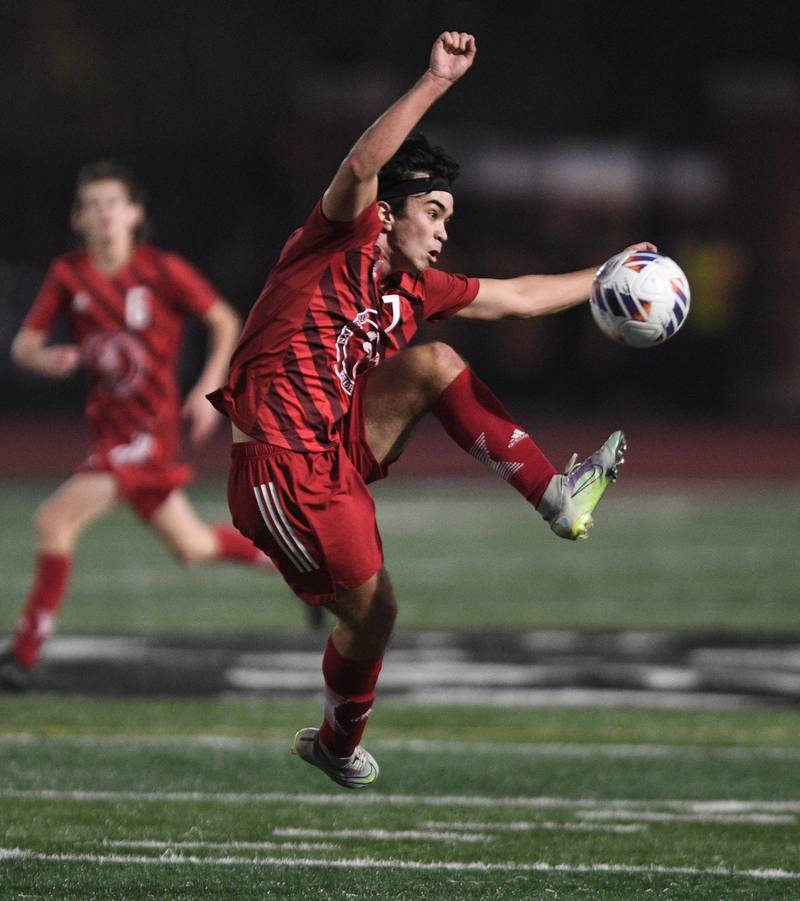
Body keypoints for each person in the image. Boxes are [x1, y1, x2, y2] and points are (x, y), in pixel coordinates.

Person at [208, 31, 653, 789]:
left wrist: (607, 272)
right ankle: (337, 745)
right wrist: (435, 81)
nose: (445, 230)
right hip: (278, 463)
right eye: (434, 211)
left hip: (335, 446)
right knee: (374, 613)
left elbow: (517, 298)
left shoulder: (418, 290)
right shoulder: (336, 236)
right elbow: (359, 166)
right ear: (387, 215)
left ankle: (557, 496)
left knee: (436, 365)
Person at [0, 160, 290, 691]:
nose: (104, 214)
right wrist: (46, 360)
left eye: (113, 204)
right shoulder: (70, 275)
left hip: (148, 436)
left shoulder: (161, 270)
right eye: (93, 206)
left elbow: (225, 320)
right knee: (193, 547)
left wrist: (211, 389)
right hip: (108, 434)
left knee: (52, 522)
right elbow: (23, 346)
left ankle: (24, 651)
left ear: (134, 214)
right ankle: (291, 560)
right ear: (77, 219)